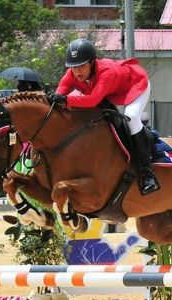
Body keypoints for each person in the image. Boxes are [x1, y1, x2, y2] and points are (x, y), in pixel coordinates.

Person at [51, 38, 160, 195]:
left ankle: (146, 172)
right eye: (73, 67)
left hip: (135, 85)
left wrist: (66, 99)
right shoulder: (72, 74)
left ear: (92, 62)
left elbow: (92, 100)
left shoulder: (106, 72)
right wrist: (54, 99)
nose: (77, 71)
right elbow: (60, 94)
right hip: (110, 92)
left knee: (132, 117)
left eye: (81, 66)